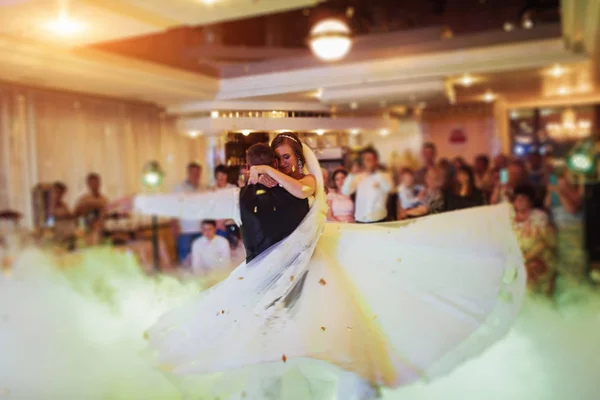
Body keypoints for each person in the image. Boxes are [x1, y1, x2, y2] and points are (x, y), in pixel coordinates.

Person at [123, 133, 525, 399]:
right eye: (276, 159)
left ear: (298, 160)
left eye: (287, 158)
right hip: (270, 280)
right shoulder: (246, 195)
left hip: (320, 269)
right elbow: (194, 204)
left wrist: (275, 176)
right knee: (266, 356)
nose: (281, 164)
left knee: (344, 344)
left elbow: (305, 198)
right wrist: (140, 203)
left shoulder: (307, 187)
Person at [512, 185, 556, 295]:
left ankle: (533, 305)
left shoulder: (539, 216)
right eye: (517, 199)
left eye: (523, 198)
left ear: (530, 202)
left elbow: (543, 243)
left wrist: (524, 259)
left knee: (527, 270)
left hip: (537, 257)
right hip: (516, 257)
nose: (519, 201)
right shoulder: (509, 218)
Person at [341, 147, 393, 223]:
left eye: (370, 159)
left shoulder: (384, 175)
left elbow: (389, 189)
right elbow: (345, 192)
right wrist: (352, 174)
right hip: (361, 219)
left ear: (376, 161)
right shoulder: (357, 176)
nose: (367, 161)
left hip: (378, 219)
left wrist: (374, 174)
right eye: (365, 159)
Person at [172, 162, 204, 263]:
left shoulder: (203, 188)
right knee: (185, 259)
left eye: (198, 173)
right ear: (188, 173)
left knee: (199, 259)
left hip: (201, 230)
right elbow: (173, 208)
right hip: (184, 230)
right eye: (193, 173)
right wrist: (174, 226)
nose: (196, 175)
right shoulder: (179, 188)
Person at [212, 164, 238, 241]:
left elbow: (235, 207)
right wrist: (217, 223)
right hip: (215, 227)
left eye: (223, 174)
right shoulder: (211, 190)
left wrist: (222, 222)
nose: (221, 177)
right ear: (215, 176)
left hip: (230, 224)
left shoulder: (233, 189)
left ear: (227, 175)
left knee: (232, 250)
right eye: (219, 174)